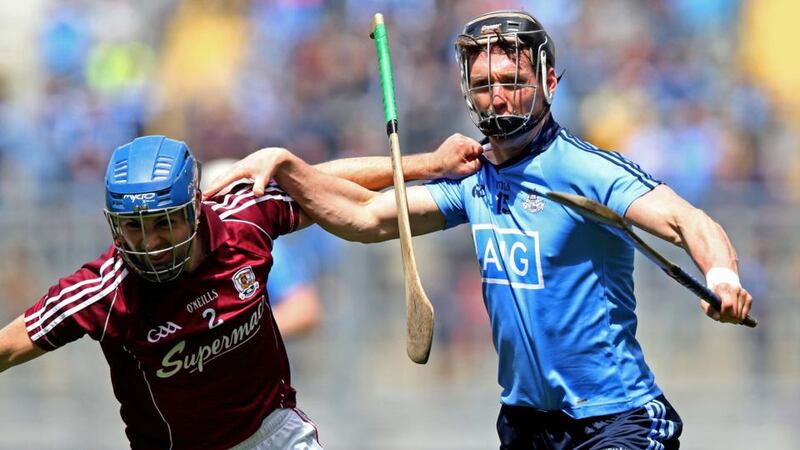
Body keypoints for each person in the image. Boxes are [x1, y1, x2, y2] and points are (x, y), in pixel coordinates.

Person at [205, 10, 753, 450]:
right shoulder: (473, 177)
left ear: (550, 83)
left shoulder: (585, 169)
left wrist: (723, 276)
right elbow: (364, 217)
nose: (498, 95)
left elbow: (688, 220)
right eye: (485, 82)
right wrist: (287, 165)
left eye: (514, 81)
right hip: (525, 423)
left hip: (615, 421)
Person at [0, 134, 481, 449]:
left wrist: (429, 163)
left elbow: (322, 181)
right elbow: (7, 345)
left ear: (193, 206)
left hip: (273, 433)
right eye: (133, 228)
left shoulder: (243, 221)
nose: (149, 244)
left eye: (163, 224)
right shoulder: (104, 292)